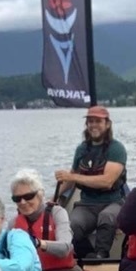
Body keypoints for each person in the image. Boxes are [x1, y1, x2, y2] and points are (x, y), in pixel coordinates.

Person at [9, 168, 87, 271]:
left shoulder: (57, 213)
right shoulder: (13, 224)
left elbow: (66, 247)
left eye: (28, 196)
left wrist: (39, 243)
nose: (23, 202)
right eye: (17, 199)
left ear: (40, 194)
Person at [54, 105, 127, 259]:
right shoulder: (81, 149)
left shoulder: (117, 149)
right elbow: (71, 176)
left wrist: (72, 177)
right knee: (73, 224)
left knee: (106, 217)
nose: (93, 125)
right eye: (90, 121)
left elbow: (107, 181)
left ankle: (101, 255)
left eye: (98, 121)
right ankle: (83, 255)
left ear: (107, 124)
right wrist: (53, 198)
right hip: (87, 203)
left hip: (113, 202)